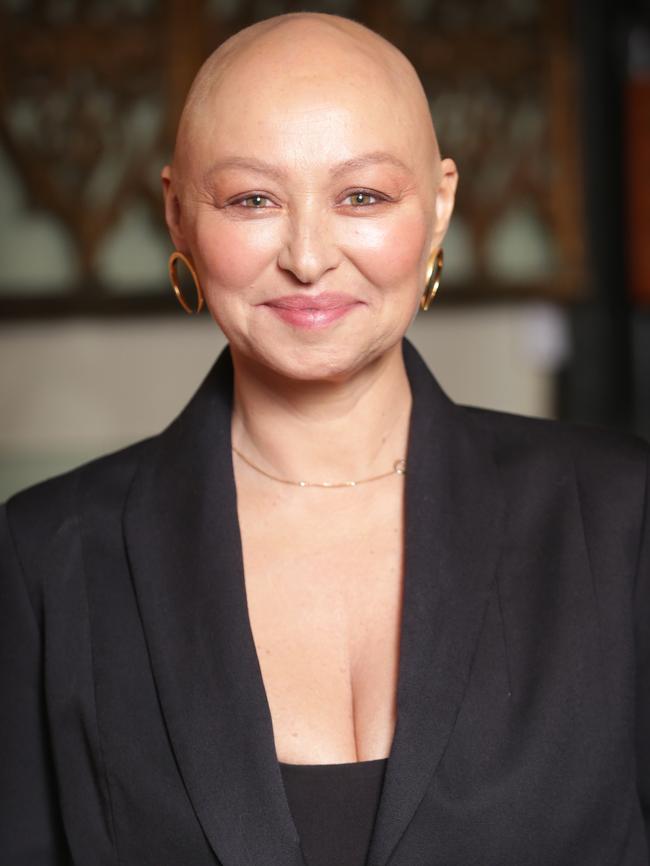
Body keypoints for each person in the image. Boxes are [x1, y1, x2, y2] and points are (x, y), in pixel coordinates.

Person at [1, 10, 648, 866]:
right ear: (177, 214)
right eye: (252, 199)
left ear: (442, 205)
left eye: (363, 196)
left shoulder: (621, 519)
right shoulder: (47, 559)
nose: (308, 256)